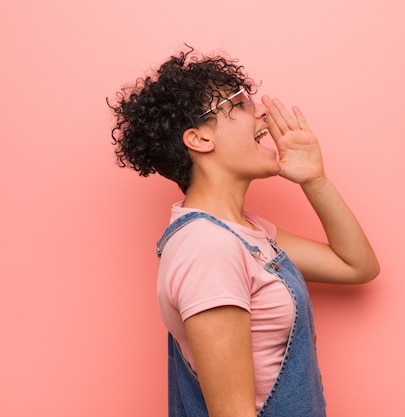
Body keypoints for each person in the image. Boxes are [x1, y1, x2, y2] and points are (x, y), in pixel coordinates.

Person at [108, 47, 380, 417]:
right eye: (239, 104)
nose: (261, 112)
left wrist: (315, 179)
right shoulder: (207, 248)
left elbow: (356, 266)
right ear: (200, 140)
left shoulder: (245, 232)